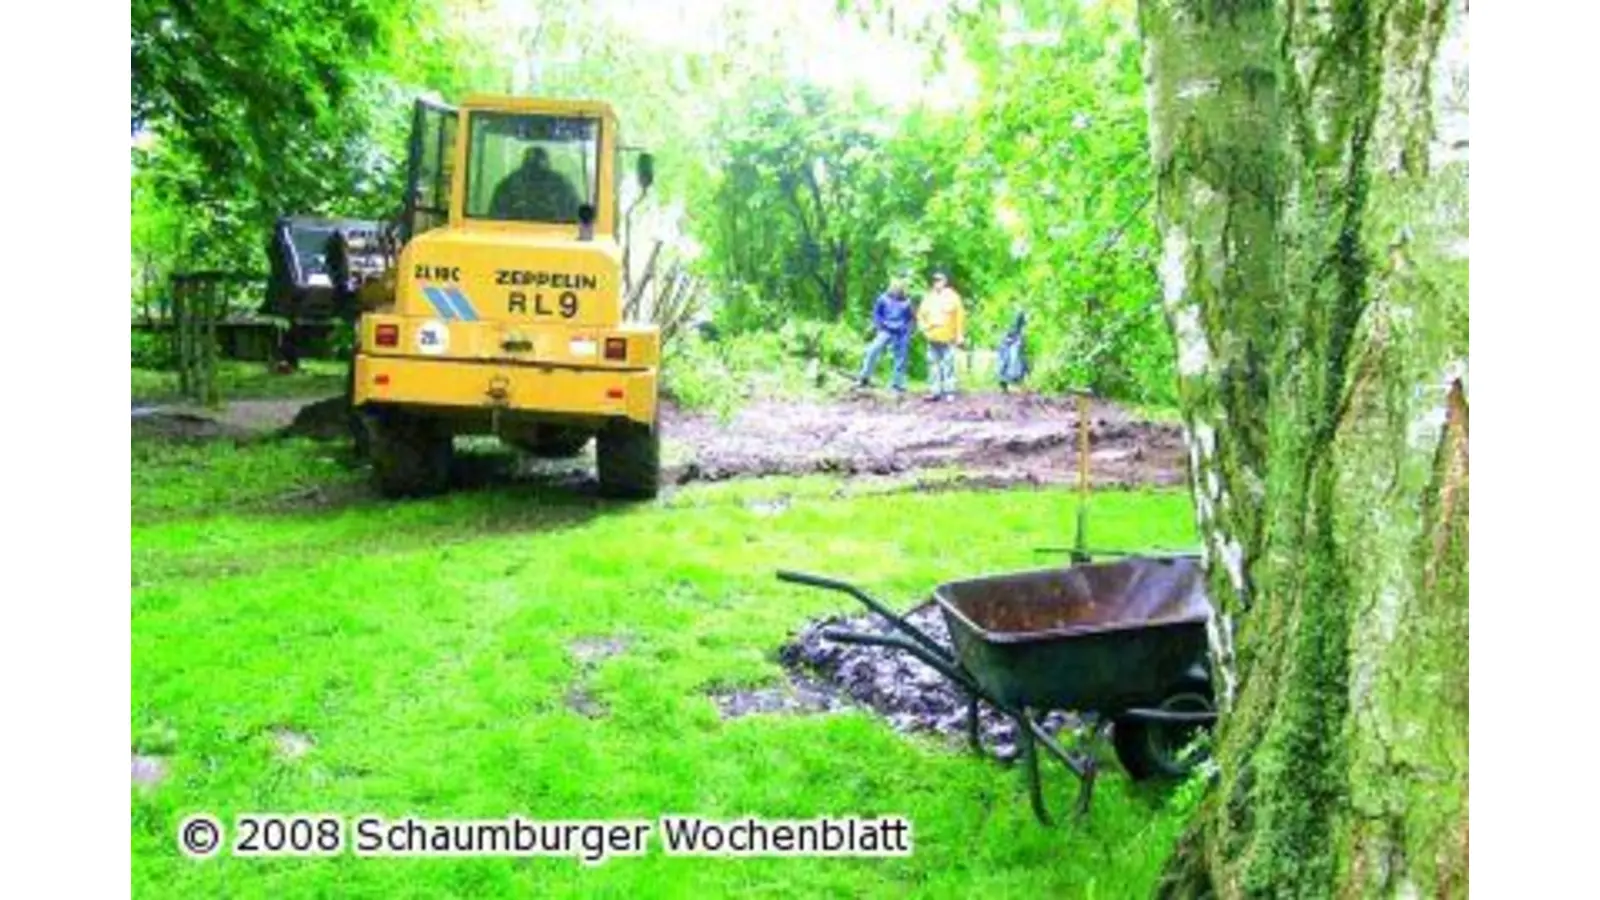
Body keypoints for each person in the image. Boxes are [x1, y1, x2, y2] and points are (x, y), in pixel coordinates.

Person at [489, 146, 582, 223]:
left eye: (540, 173)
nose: (535, 179)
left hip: (557, 239)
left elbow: (577, 220)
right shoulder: (508, 187)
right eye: (531, 168)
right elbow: (494, 222)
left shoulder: (563, 186)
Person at [855, 279, 915, 393]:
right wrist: (879, 326)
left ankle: (897, 384)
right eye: (895, 287)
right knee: (872, 350)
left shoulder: (907, 302)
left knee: (900, 358)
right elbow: (877, 313)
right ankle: (864, 377)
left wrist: (908, 331)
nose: (897, 289)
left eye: (899, 287)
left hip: (901, 332)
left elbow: (911, 318)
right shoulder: (883, 299)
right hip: (885, 330)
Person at [917, 270, 966, 401]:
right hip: (932, 337)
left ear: (945, 282)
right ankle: (935, 391)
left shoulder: (953, 297)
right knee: (933, 364)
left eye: (939, 280)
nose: (936, 283)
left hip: (948, 336)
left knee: (948, 364)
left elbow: (959, 317)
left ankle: (949, 390)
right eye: (935, 281)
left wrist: (960, 335)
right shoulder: (928, 298)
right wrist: (924, 329)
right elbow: (921, 316)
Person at [996, 310, 1029, 392]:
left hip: (1013, 348)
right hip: (1010, 348)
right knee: (1010, 365)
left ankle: (1009, 384)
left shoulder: (1020, 329)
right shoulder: (1014, 328)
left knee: (1016, 365)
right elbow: (1009, 339)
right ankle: (1006, 384)